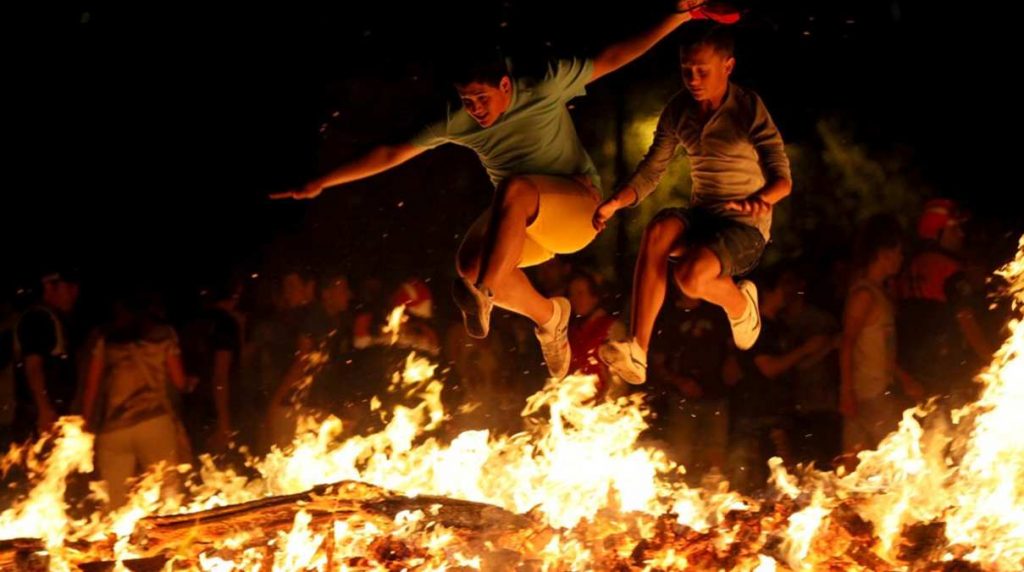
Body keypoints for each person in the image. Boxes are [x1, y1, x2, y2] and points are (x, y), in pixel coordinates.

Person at [273, 2, 741, 380]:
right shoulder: (457, 117)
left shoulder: (544, 84)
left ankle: (486, 291)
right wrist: (323, 181)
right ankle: (547, 317)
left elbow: (615, 56)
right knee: (468, 263)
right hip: (523, 223)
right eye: (467, 101)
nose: (476, 110)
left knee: (513, 192)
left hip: (577, 211)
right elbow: (391, 152)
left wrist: (676, 16)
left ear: (505, 84)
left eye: (483, 98)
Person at [595, 24, 791, 384]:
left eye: (703, 70)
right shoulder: (677, 111)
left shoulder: (747, 107)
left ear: (728, 66)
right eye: (687, 70)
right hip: (703, 216)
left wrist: (761, 199)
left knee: (690, 276)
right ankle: (637, 349)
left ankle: (741, 306)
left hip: (743, 227)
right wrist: (616, 202)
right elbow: (652, 169)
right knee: (658, 230)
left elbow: (782, 178)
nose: (694, 79)